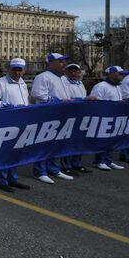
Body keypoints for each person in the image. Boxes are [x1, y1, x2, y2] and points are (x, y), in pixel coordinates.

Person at [0, 58, 32, 192]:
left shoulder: (23, 83)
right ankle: (1, 179)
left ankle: (13, 178)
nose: (17, 73)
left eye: (20, 70)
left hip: (21, 122)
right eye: (15, 69)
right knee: (5, 152)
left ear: (24, 71)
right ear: (9, 69)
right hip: (5, 122)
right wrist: (8, 106)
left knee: (16, 152)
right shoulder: (0, 83)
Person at [30, 53, 74, 184]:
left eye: (64, 61)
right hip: (46, 115)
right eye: (60, 61)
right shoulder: (42, 77)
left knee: (57, 143)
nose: (64, 64)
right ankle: (40, 171)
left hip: (61, 114)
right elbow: (37, 94)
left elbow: (67, 95)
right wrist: (59, 101)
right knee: (43, 144)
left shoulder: (64, 78)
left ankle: (54, 169)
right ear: (51, 62)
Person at [90, 66, 128, 171]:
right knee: (103, 140)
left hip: (115, 118)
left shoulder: (118, 86)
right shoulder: (101, 86)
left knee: (112, 141)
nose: (123, 75)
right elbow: (95, 103)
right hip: (104, 118)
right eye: (120, 73)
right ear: (111, 74)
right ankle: (99, 161)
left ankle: (108, 160)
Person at [60, 64, 94, 175]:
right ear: (66, 72)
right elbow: (67, 99)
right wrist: (83, 99)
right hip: (69, 116)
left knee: (79, 141)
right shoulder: (63, 83)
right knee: (68, 142)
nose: (73, 73)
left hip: (81, 115)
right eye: (71, 71)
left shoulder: (80, 83)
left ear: (79, 72)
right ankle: (66, 166)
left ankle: (77, 164)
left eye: (75, 71)